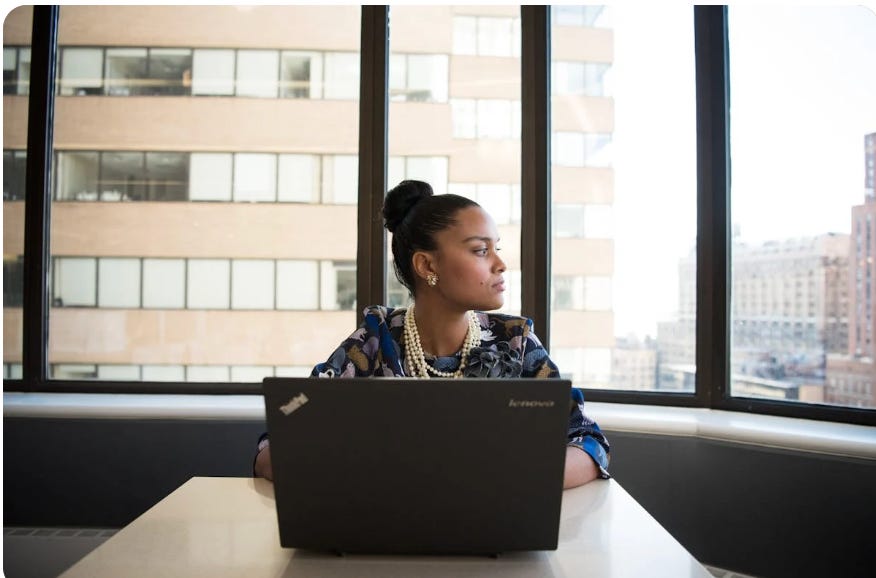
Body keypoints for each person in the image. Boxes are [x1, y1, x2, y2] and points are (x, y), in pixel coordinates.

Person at [254, 180, 610, 488]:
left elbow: (589, 441)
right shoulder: (375, 341)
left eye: (496, 248)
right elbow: (275, 446)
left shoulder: (515, 342)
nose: (500, 264)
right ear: (427, 265)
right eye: (480, 250)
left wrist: (513, 478)